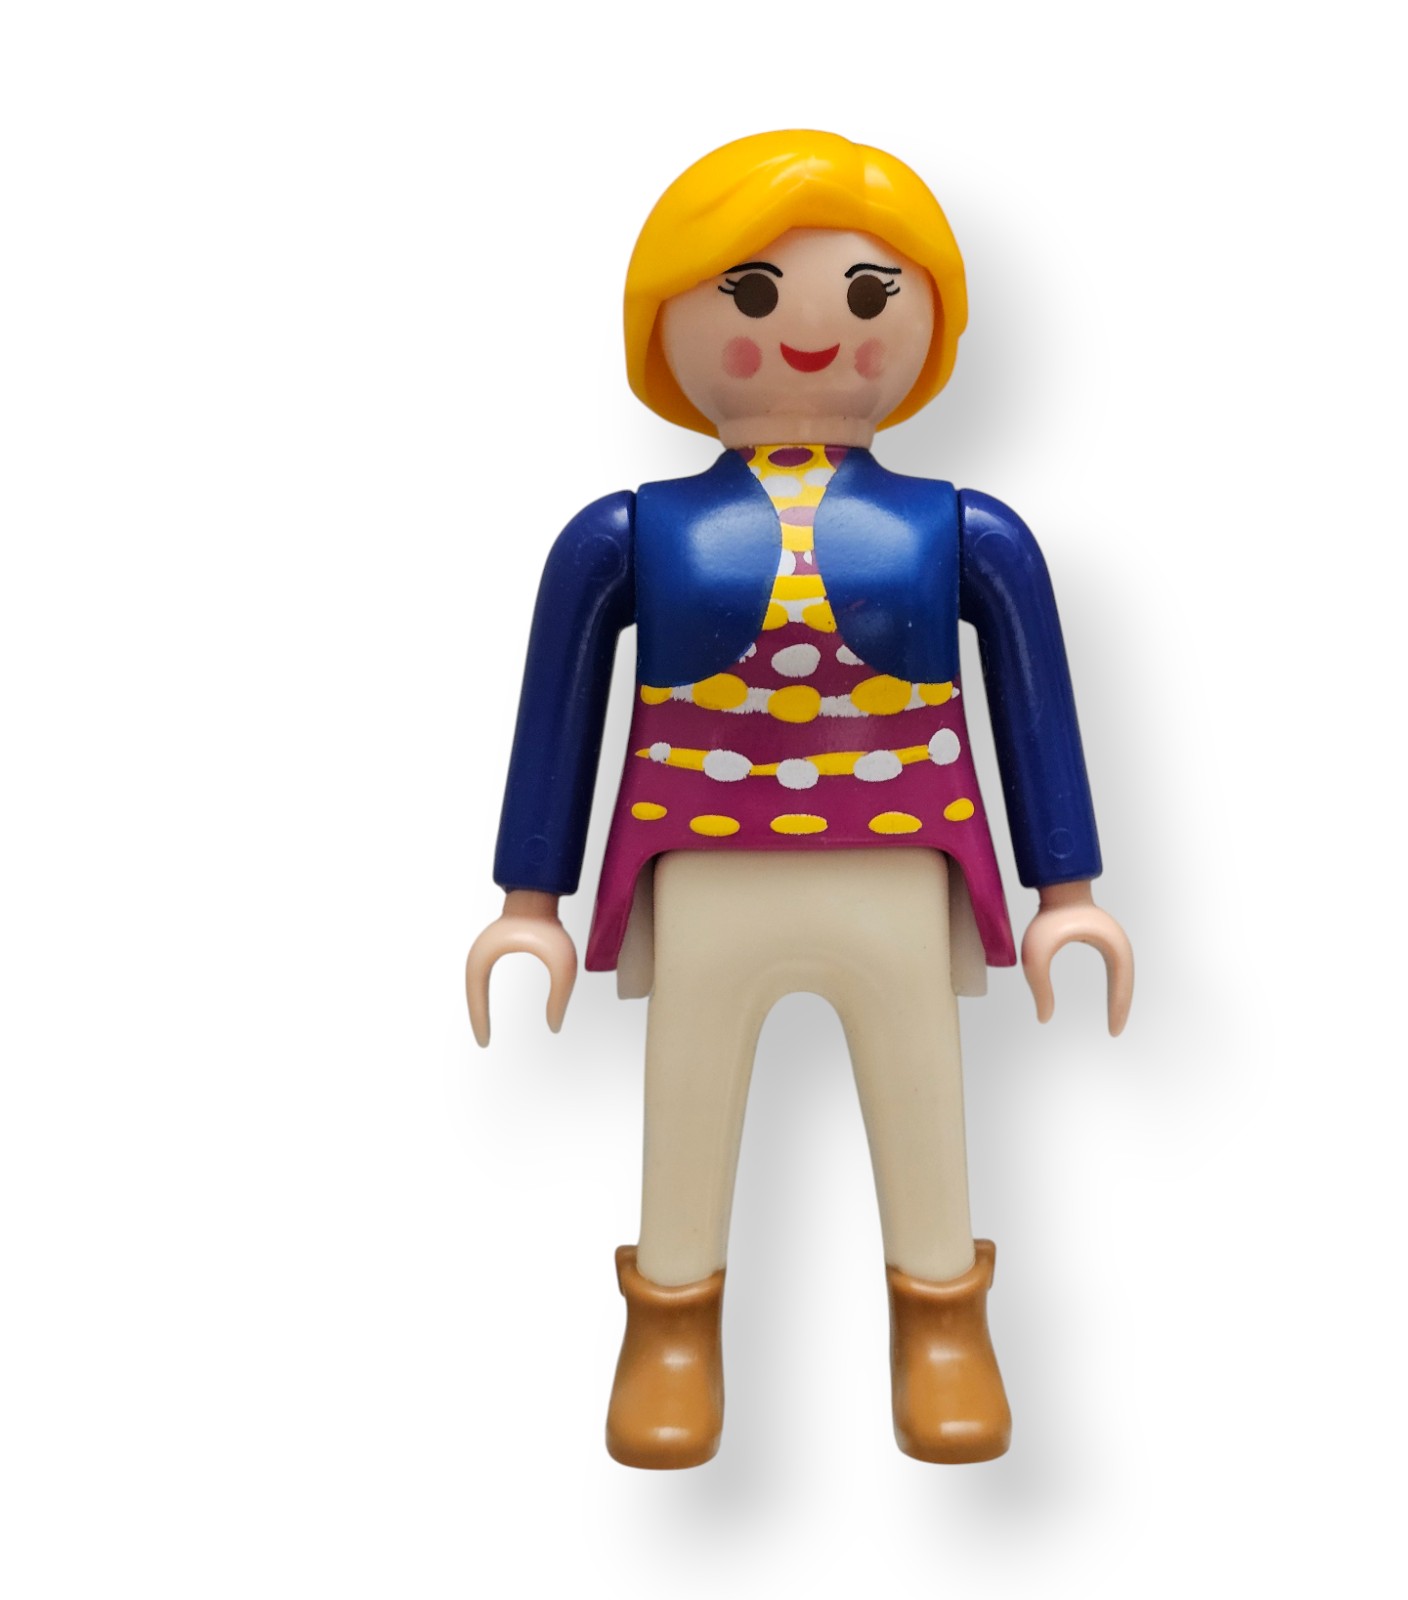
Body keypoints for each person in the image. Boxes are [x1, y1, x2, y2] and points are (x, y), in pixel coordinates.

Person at [466, 130, 1133, 1468]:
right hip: (700, 871)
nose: (813, 332)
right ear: (665, 324)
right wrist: (529, 901)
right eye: (752, 294)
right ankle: (671, 1325)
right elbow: (559, 713)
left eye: (871, 293)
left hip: (902, 864)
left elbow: (1035, 702)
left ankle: (943, 1318)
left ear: (928, 323)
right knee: (688, 1098)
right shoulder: (629, 533)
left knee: (922, 1094)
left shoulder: (964, 529)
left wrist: (1067, 889)